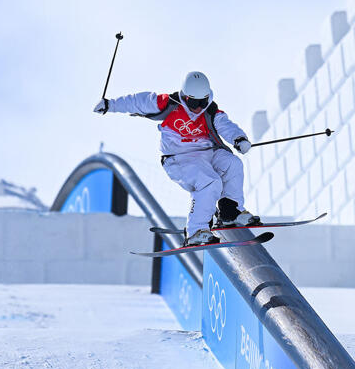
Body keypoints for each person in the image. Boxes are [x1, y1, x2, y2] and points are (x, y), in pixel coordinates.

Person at [94, 71, 260, 246]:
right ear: (185, 97)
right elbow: (137, 102)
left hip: (207, 153)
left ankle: (230, 211)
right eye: (193, 102)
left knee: (233, 164)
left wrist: (239, 139)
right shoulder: (169, 104)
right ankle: (196, 230)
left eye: (202, 102)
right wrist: (109, 105)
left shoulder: (210, 111)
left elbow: (226, 125)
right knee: (210, 182)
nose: (197, 107)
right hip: (179, 158)